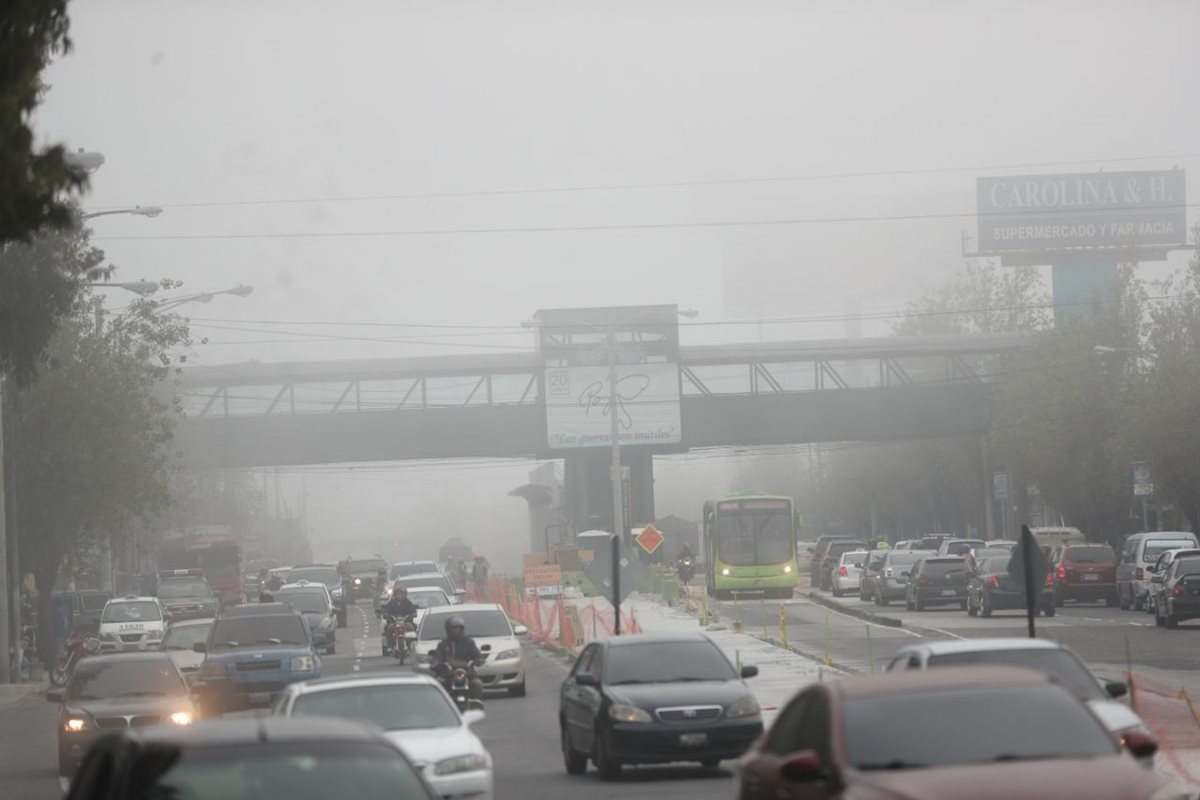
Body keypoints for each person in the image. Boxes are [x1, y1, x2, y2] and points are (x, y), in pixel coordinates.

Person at [430, 615, 484, 702]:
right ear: (448, 629)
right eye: (453, 628)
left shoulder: (468, 642)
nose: (455, 630)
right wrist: (436, 663)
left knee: (477, 684)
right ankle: (440, 706)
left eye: (458, 628)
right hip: (447, 675)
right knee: (437, 683)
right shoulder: (443, 644)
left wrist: (478, 660)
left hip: (467, 674)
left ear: (462, 629)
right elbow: (437, 657)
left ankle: (476, 705)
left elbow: (476, 654)